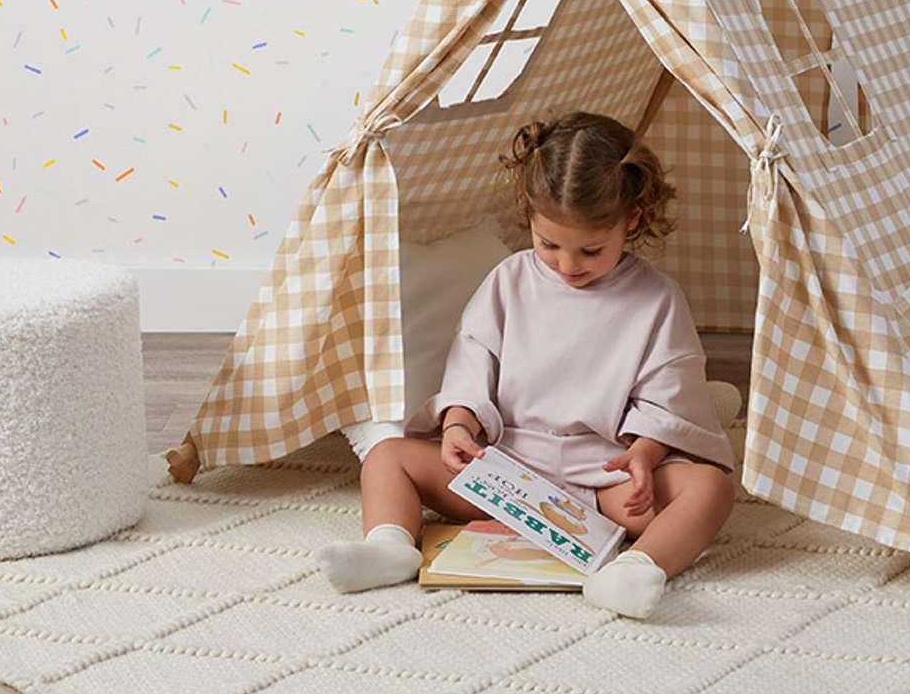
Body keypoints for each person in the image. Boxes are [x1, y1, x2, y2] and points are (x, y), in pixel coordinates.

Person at [315, 109, 736, 619]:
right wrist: (458, 425)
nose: (568, 264)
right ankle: (390, 545)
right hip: (504, 471)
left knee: (710, 489)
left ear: (632, 220)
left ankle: (635, 569)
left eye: (591, 250)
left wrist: (644, 455)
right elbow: (472, 364)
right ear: (530, 216)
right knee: (387, 456)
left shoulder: (657, 300)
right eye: (549, 244)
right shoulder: (508, 281)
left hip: (604, 480)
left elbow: (667, 397)